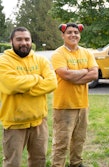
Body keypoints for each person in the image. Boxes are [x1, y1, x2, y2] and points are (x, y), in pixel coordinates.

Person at [0, 27, 58, 167]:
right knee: (12, 163)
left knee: (39, 161)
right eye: (19, 39)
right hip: (14, 123)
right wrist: (37, 78)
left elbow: (52, 83)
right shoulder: (4, 62)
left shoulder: (41, 60)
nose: (24, 42)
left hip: (39, 122)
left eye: (27, 39)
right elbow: (12, 85)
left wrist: (25, 89)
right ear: (11, 41)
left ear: (31, 41)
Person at [51, 23, 98, 167]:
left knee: (79, 138)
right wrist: (84, 71)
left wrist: (74, 77)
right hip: (64, 105)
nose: (73, 35)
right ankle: (57, 165)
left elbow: (95, 74)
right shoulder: (58, 54)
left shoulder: (87, 53)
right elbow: (65, 75)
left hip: (83, 104)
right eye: (69, 32)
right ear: (63, 35)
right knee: (61, 141)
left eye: (76, 32)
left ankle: (76, 163)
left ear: (80, 34)